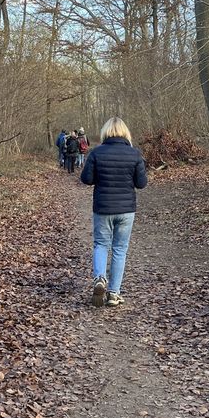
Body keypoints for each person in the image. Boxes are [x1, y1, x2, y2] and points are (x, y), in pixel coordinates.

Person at [80, 117, 147, 307]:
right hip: (126, 210)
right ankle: (113, 294)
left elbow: (86, 179)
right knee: (120, 249)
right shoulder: (135, 154)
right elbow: (141, 184)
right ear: (125, 133)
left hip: (103, 208)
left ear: (105, 132)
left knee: (101, 244)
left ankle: (100, 278)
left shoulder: (96, 153)